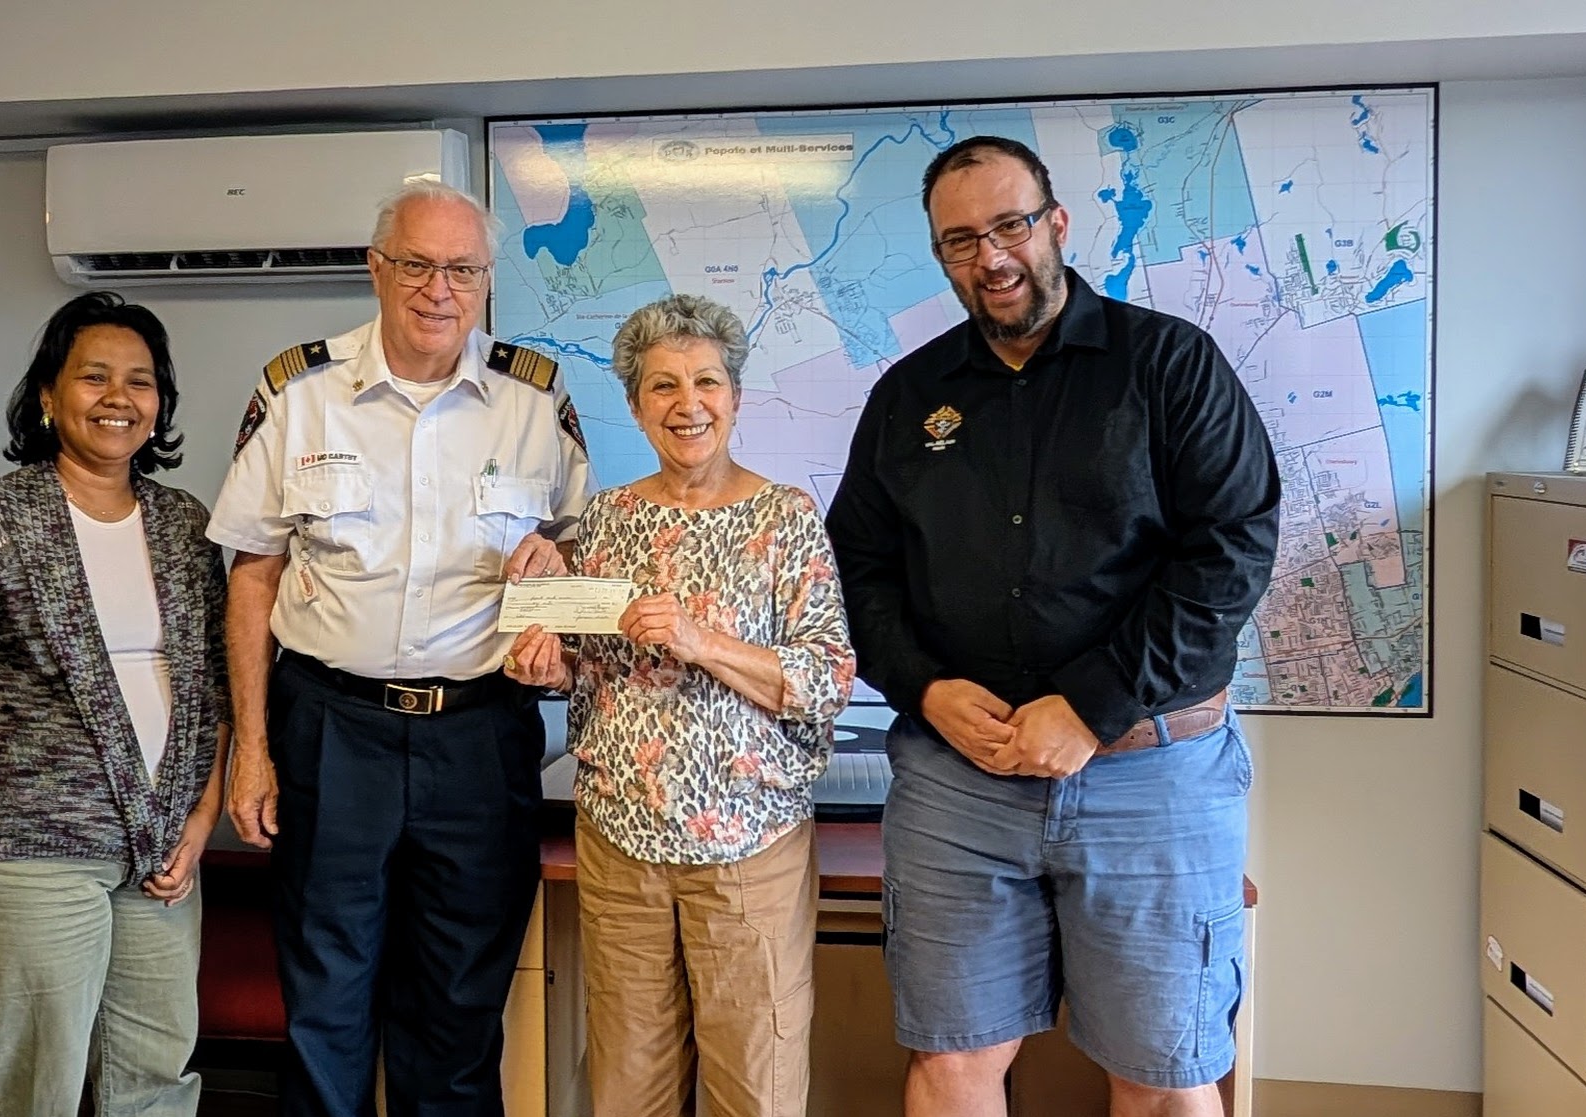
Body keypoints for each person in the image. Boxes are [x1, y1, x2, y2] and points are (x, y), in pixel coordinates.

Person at [824, 136, 1280, 1117]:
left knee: (1164, 1075)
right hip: (959, 785)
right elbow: (859, 568)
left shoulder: (1168, 366)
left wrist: (1089, 703)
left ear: (1056, 225)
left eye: (1009, 225)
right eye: (959, 240)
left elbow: (1228, 553)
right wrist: (921, 686)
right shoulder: (908, 397)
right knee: (952, 1062)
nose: (989, 256)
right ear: (939, 254)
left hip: (1147, 774)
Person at [207, 179, 594, 1117]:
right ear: (376, 268)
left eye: (462, 268)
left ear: (488, 279)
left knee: (460, 1009)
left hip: (479, 735)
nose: (439, 289)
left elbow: (584, 546)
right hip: (332, 728)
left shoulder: (534, 401)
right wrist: (250, 748)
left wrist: (560, 570)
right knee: (324, 1005)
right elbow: (251, 574)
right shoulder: (298, 391)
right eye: (416, 264)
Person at [505, 293, 855, 1116]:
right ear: (634, 405)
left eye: (705, 381)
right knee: (629, 1084)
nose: (686, 404)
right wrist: (542, 659)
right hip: (619, 844)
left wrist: (706, 642)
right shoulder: (606, 519)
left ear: (735, 396)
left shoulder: (786, 519)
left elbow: (827, 680)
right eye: (661, 386)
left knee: (753, 1085)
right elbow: (579, 663)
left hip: (748, 848)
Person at [0, 291, 230, 1117]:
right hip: (34, 851)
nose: (119, 397)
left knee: (154, 1077)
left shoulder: (186, 526)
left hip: (159, 855)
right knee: (32, 1089)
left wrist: (200, 819)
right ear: (47, 395)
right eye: (94, 377)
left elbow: (213, 689)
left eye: (141, 381)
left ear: (161, 404)